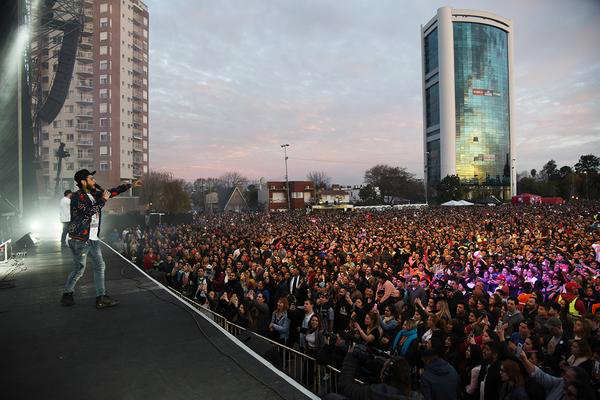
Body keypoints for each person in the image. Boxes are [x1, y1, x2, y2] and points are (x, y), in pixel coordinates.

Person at [61, 169, 141, 309]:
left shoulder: (93, 194)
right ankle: (67, 294)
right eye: (91, 179)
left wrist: (130, 185)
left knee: (99, 266)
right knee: (80, 268)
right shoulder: (76, 197)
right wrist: (103, 200)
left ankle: (100, 297)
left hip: (92, 238)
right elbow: (88, 212)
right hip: (79, 239)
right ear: (83, 182)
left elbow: (112, 192)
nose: (94, 181)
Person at [325, 347, 424, 400]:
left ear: (385, 375)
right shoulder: (416, 396)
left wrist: (350, 357)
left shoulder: (374, 393)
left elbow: (346, 387)